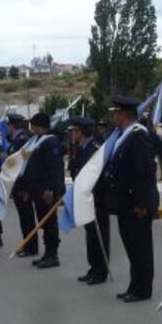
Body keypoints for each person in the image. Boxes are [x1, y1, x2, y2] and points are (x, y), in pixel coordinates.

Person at [104, 95, 159, 302]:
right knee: (131, 245)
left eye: (116, 113)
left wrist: (141, 203)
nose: (114, 117)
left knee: (141, 246)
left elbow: (143, 172)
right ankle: (134, 285)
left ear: (124, 114)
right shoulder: (124, 134)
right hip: (125, 202)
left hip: (136, 203)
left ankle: (143, 289)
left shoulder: (137, 135)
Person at [68, 116, 109, 284]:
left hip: (96, 198)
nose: (72, 134)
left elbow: (99, 175)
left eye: (75, 131)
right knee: (90, 234)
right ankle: (93, 267)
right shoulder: (80, 148)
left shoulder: (94, 149)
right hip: (85, 198)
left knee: (99, 235)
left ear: (82, 131)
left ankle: (101, 271)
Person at [23, 112, 65, 268]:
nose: (31, 128)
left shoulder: (50, 141)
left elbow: (54, 168)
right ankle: (47, 253)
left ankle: (53, 255)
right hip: (36, 189)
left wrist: (50, 189)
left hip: (45, 191)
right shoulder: (38, 140)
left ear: (38, 125)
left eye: (33, 125)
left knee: (49, 223)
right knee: (43, 222)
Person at [7, 114, 38, 258]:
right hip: (18, 183)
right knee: (24, 216)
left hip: (22, 184)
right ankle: (27, 244)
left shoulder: (22, 141)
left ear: (12, 125)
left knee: (27, 216)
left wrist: (25, 188)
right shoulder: (19, 139)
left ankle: (31, 247)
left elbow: (24, 165)